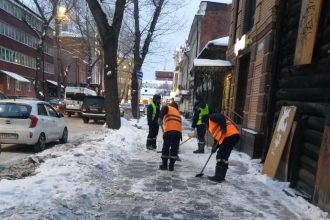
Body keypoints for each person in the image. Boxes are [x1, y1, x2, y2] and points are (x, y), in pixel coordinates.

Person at [206, 113, 240, 183]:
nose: (205, 126)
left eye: (204, 123)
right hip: (233, 136)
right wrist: (214, 147)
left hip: (230, 135)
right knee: (224, 156)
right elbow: (217, 138)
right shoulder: (213, 126)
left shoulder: (211, 117)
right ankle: (221, 176)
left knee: (220, 155)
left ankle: (218, 176)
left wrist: (223, 127)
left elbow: (221, 116)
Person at [158, 101, 182, 171]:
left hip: (169, 131)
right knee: (174, 150)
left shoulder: (168, 108)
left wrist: (160, 118)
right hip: (178, 133)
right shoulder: (178, 113)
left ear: (171, 105)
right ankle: (171, 166)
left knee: (166, 148)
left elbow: (164, 108)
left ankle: (164, 165)